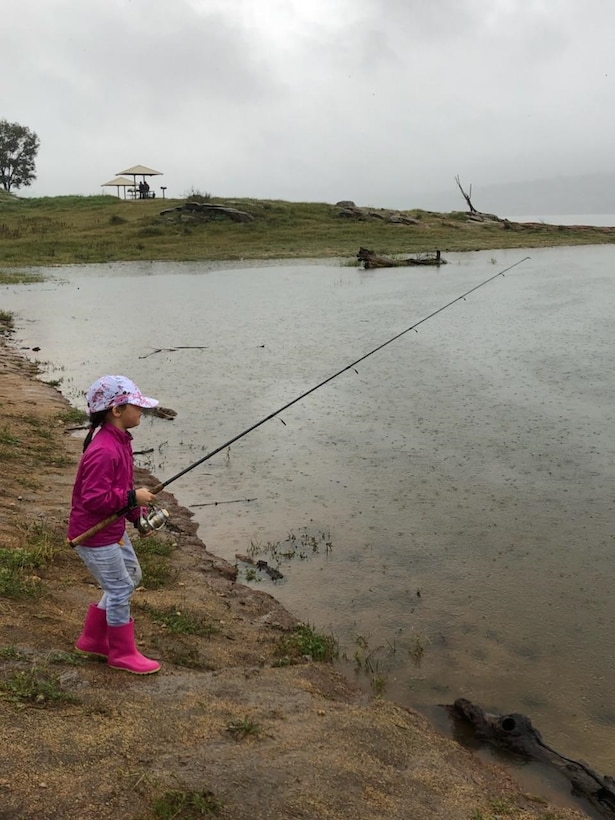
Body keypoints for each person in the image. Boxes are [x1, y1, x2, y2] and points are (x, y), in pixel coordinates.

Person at [67, 375, 161, 675]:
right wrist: (133, 496)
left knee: (131, 576)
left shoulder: (120, 442)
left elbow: (121, 487)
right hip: (93, 536)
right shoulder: (104, 450)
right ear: (117, 411)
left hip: (112, 531)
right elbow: (94, 499)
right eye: (137, 406)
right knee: (120, 589)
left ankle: (93, 638)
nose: (141, 412)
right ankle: (121, 653)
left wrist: (137, 517)